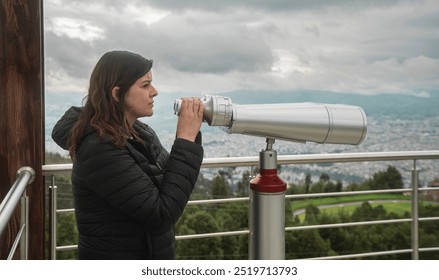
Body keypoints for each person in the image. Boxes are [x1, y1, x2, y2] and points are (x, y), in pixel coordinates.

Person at [51, 50, 204, 260]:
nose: (154, 91)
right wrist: (185, 140)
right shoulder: (99, 148)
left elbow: (168, 184)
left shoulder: (138, 132)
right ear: (116, 94)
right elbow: (162, 213)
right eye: (145, 85)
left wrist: (187, 139)